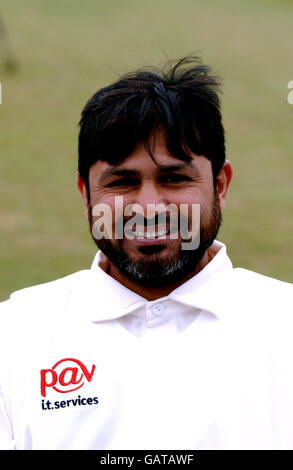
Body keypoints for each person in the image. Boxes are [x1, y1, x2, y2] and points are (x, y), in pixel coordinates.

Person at [0, 56, 292, 451]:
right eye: (122, 182)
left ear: (220, 185)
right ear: (86, 195)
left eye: (174, 178)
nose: (149, 207)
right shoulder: (15, 335)